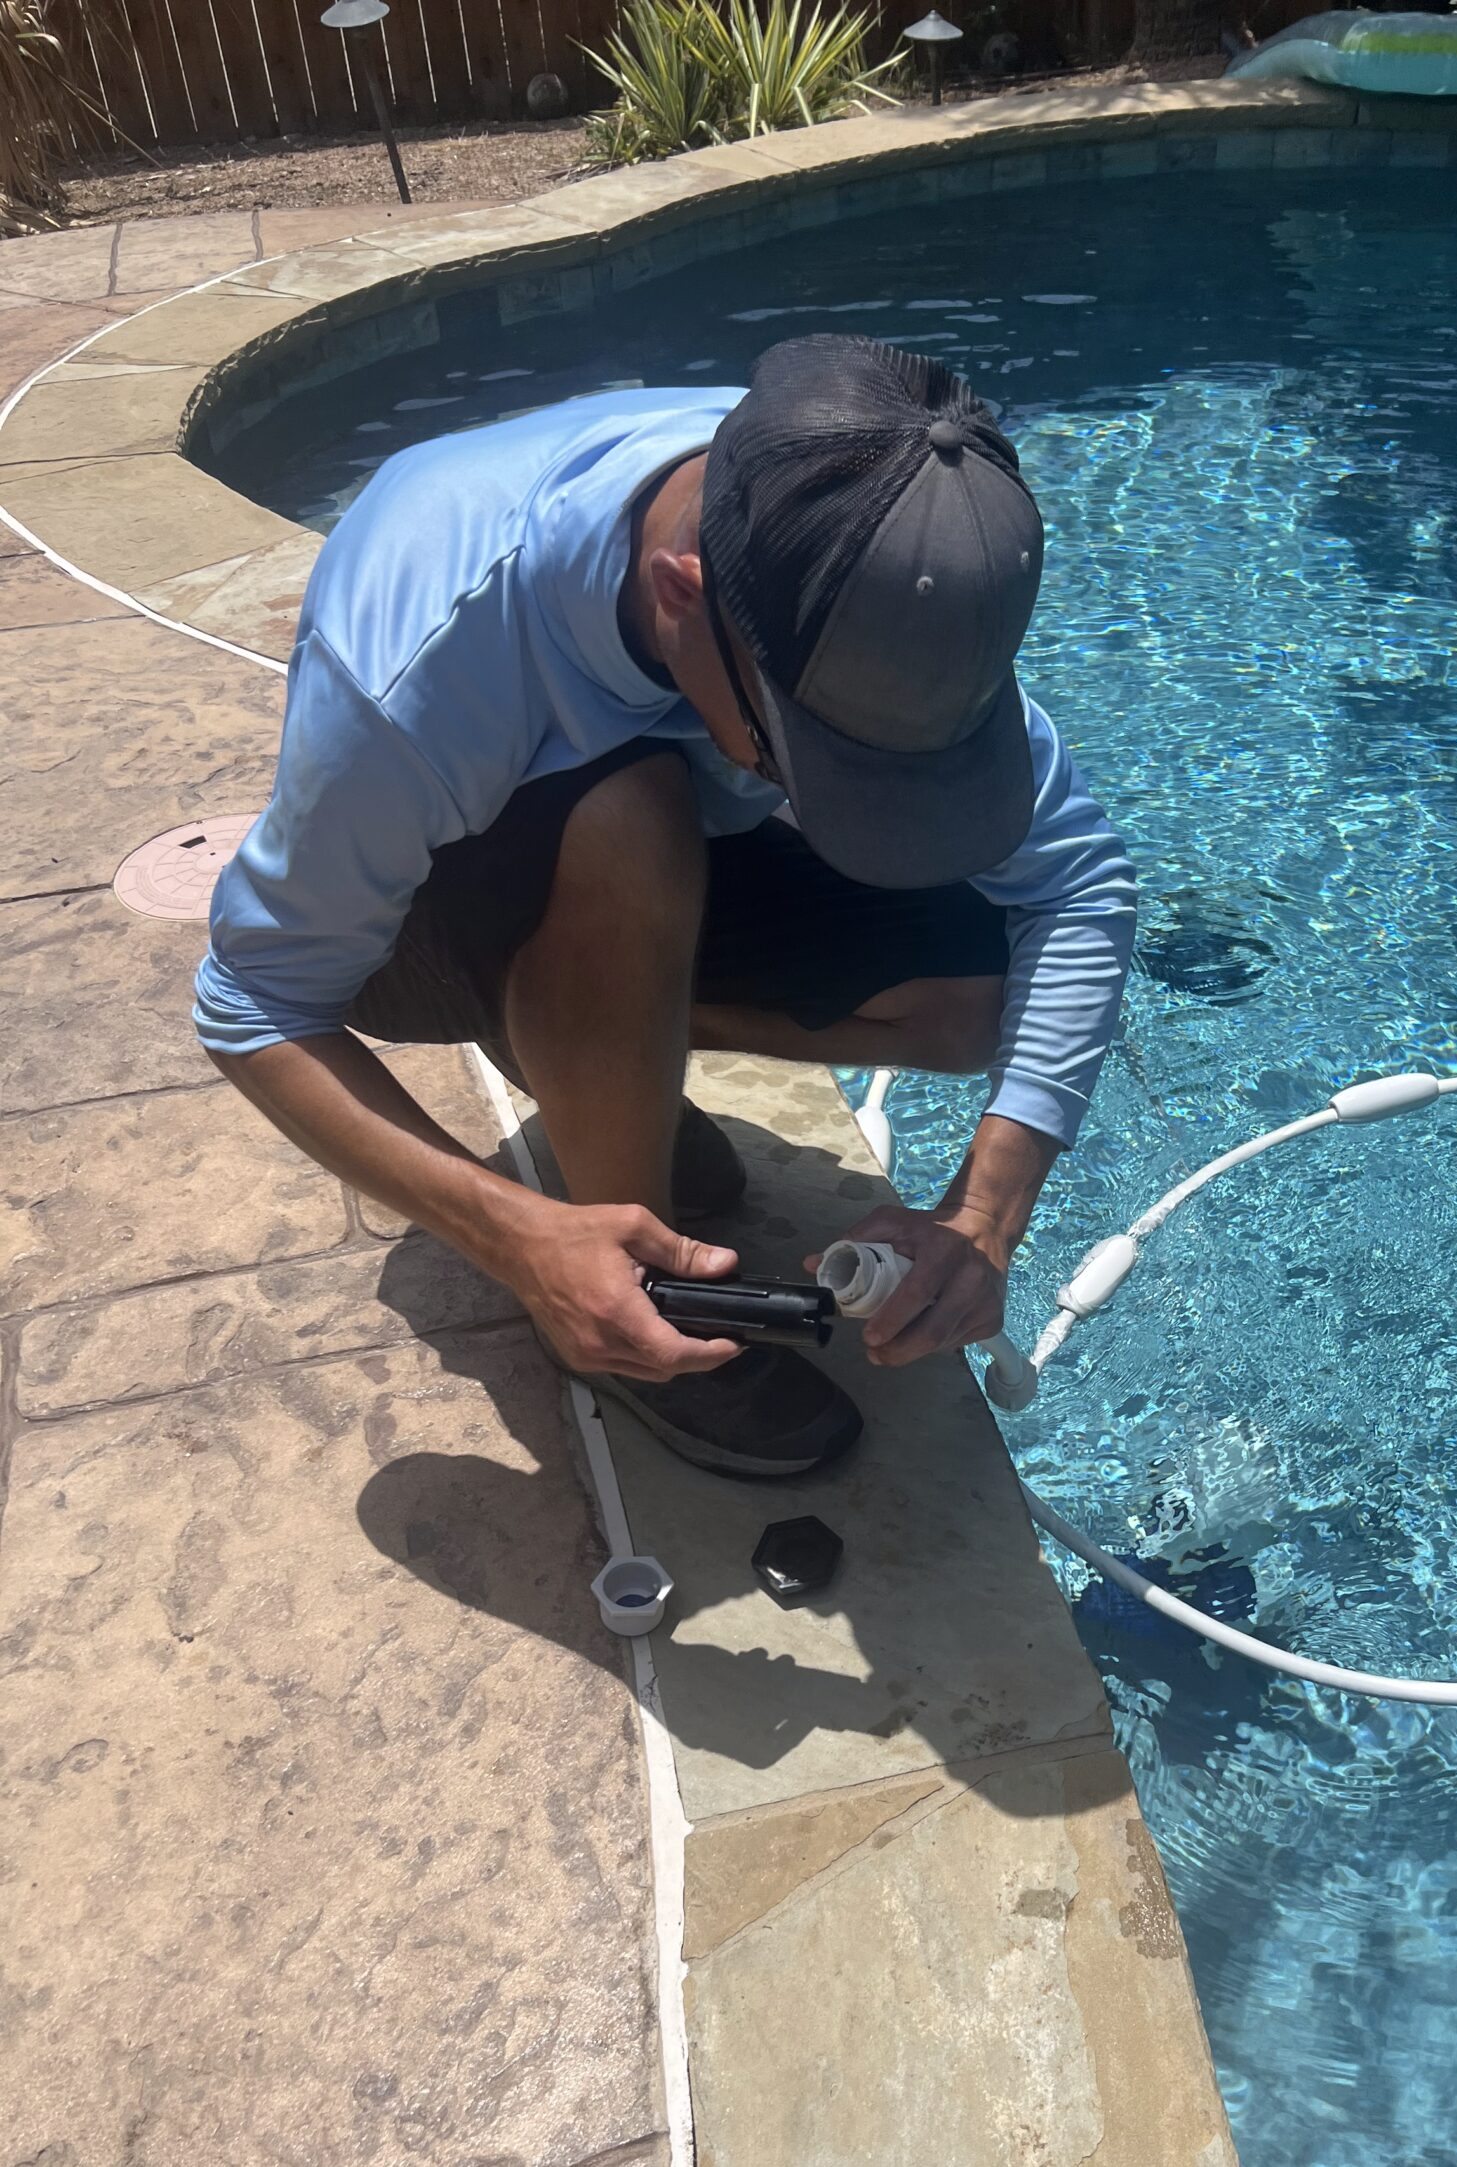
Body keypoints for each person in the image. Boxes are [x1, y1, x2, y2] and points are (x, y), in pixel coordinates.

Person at [196, 334, 1136, 1478]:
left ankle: (591, 1044)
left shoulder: (861, 543)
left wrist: (982, 1217)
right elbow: (252, 999)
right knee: (625, 813)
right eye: (810, 759)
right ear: (682, 598)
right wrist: (519, 1239)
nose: (842, 808)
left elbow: (1077, 884)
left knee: (977, 988)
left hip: (670, 841)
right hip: (422, 923)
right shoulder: (419, 665)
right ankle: (621, 1317)